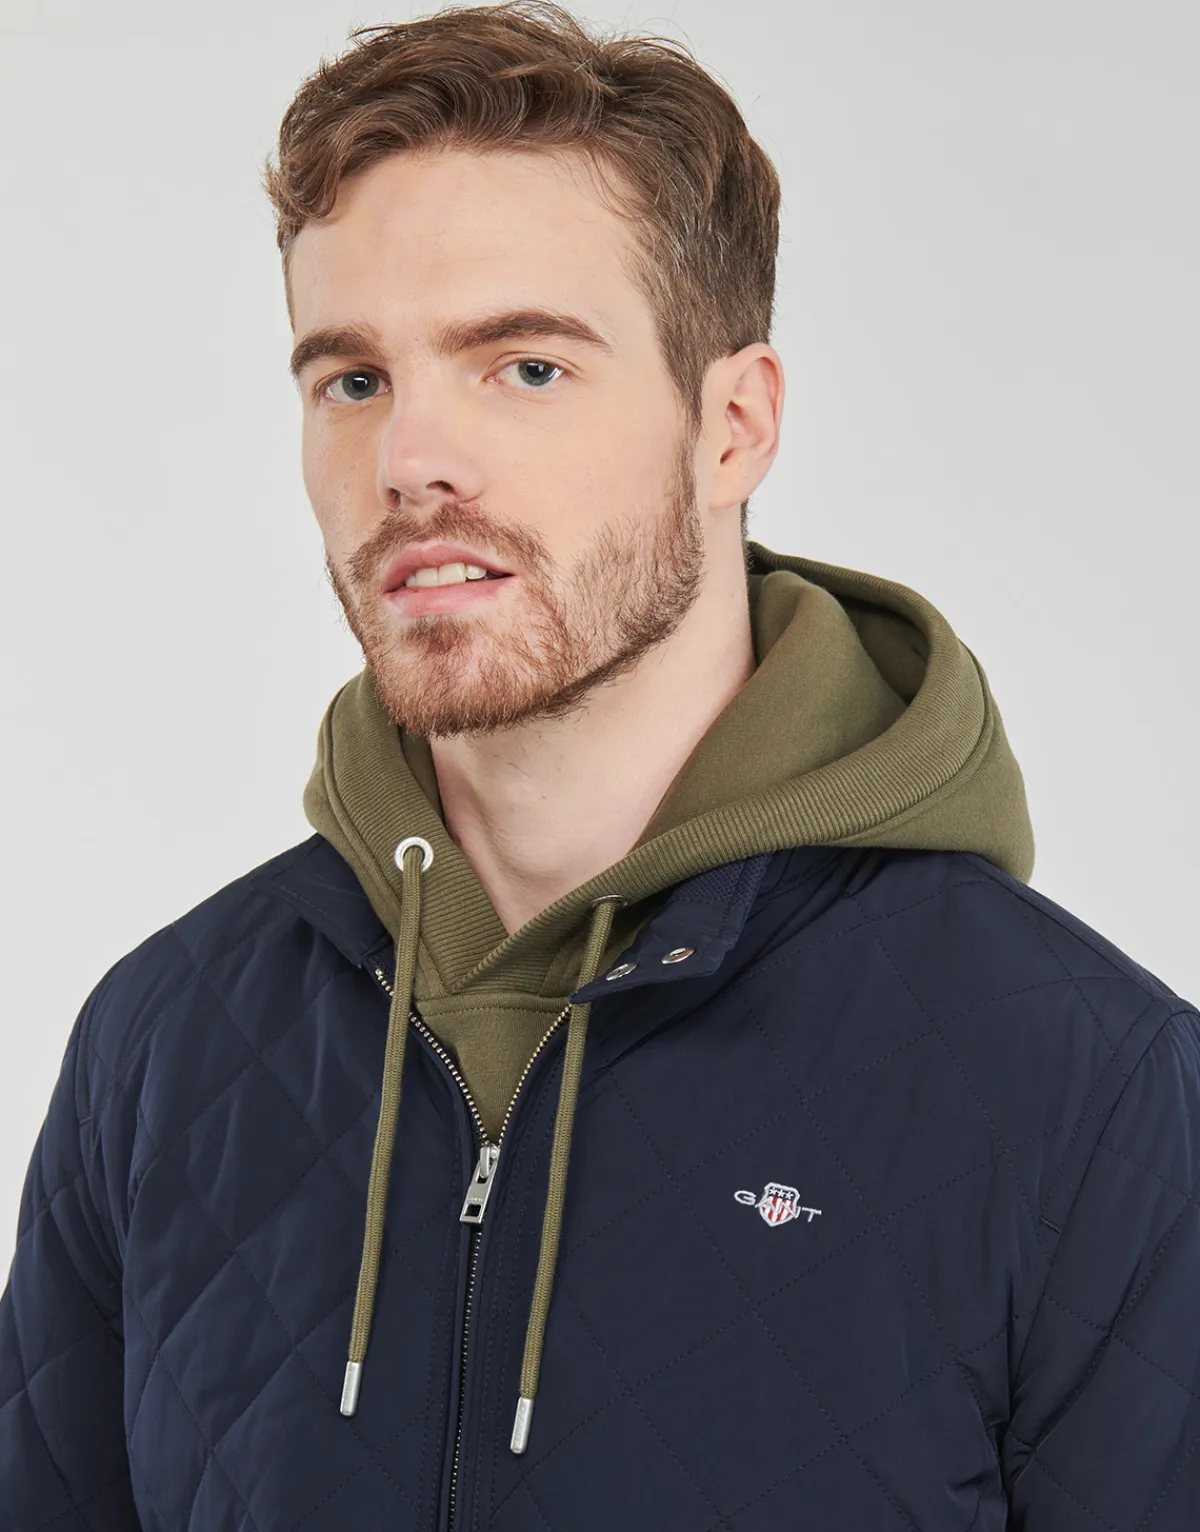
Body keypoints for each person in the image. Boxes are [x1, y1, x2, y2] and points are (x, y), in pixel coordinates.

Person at [2, 2, 1197, 1527]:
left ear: (733, 425)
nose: (411, 461)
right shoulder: (162, 1049)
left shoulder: (1087, 1091)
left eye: (526, 367)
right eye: (352, 380)